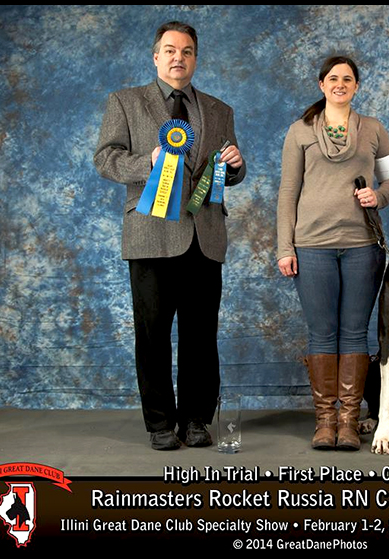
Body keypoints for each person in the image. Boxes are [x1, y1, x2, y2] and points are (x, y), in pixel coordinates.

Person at [94, 21, 246, 450]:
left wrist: (236, 166)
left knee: (201, 337)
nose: (179, 58)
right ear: (156, 57)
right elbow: (105, 158)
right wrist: (150, 161)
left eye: (187, 51)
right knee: (153, 335)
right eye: (170, 50)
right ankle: (160, 424)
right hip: (150, 234)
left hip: (204, 236)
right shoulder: (125, 102)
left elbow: (227, 174)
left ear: (195, 58)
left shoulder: (219, 110)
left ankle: (196, 420)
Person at [276, 56, 389, 451]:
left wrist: (378, 196)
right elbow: (288, 192)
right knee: (322, 333)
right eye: (333, 78)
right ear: (321, 84)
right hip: (311, 246)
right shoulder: (299, 131)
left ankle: (348, 422)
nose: (340, 84)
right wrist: (285, 247)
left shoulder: (374, 129)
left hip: (363, 246)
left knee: (355, 332)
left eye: (347, 78)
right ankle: (325, 422)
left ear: (356, 86)